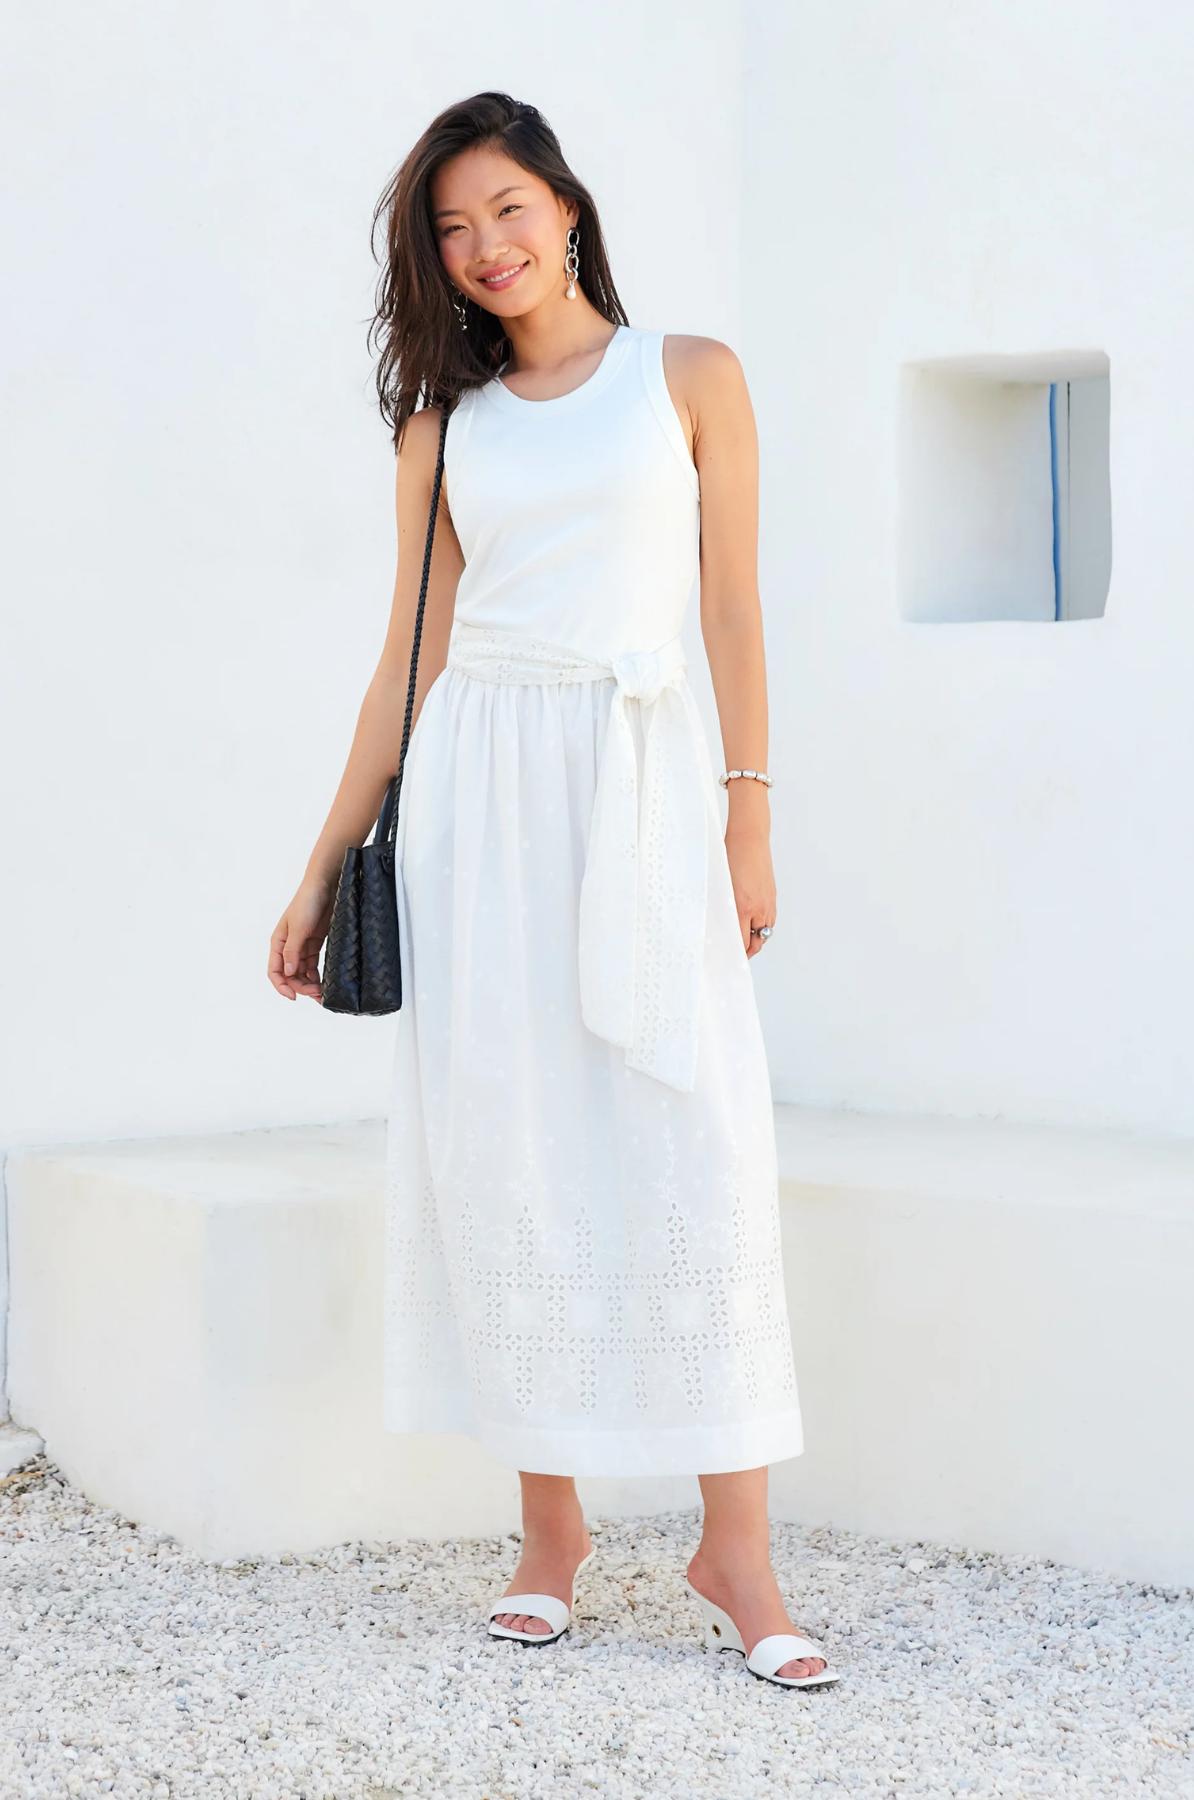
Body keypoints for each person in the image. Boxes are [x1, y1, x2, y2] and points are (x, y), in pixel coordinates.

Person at [269, 91, 837, 1690]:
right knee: (507, 1138)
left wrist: (749, 816)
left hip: (647, 779)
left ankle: (739, 1547)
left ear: (568, 208)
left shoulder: (693, 376)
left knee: (694, 1131)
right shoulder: (445, 427)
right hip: (479, 801)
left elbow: (734, 608)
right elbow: (409, 660)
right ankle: (551, 1534)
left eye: (506, 208)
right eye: (451, 229)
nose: (486, 248)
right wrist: (324, 864)